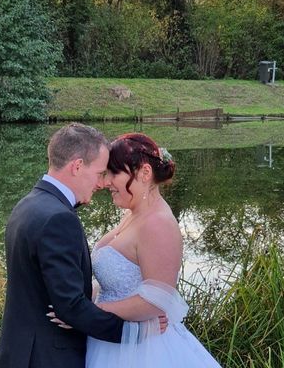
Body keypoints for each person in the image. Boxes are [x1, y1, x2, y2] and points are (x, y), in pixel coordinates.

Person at [58, 133, 222, 368]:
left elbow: (156, 301)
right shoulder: (133, 214)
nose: (105, 183)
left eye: (114, 173)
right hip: (114, 338)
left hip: (144, 352)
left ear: (144, 173)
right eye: (105, 173)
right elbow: (115, 283)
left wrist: (85, 313)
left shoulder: (158, 224)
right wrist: (76, 300)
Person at [0, 123, 127, 368]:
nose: (101, 184)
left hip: (18, 352)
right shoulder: (58, 218)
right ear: (77, 166)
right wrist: (131, 334)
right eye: (99, 173)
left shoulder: (28, 204)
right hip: (47, 357)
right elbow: (71, 307)